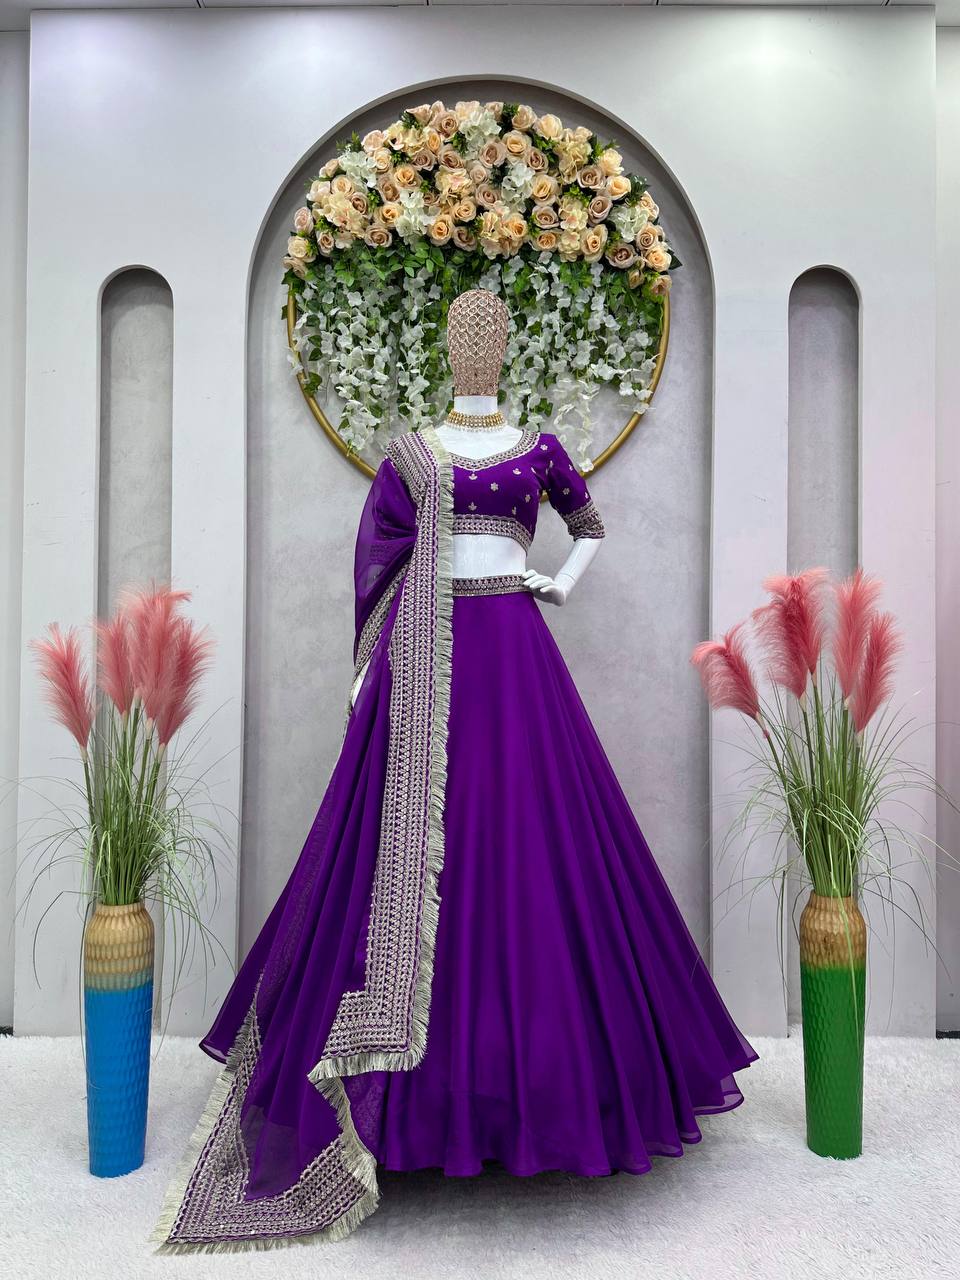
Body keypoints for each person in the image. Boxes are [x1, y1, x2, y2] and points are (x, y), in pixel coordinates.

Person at [151, 288, 757, 1253]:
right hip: (425, 662)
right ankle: (405, 1102)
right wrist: (369, 673)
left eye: (490, 338)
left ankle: (535, 1097)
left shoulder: (540, 449)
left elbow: (589, 524)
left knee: (530, 843)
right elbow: (378, 553)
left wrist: (556, 581)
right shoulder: (412, 454)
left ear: (505, 349)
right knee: (399, 854)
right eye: (464, 338)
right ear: (447, 349)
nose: (477, 351)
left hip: (514, 653)